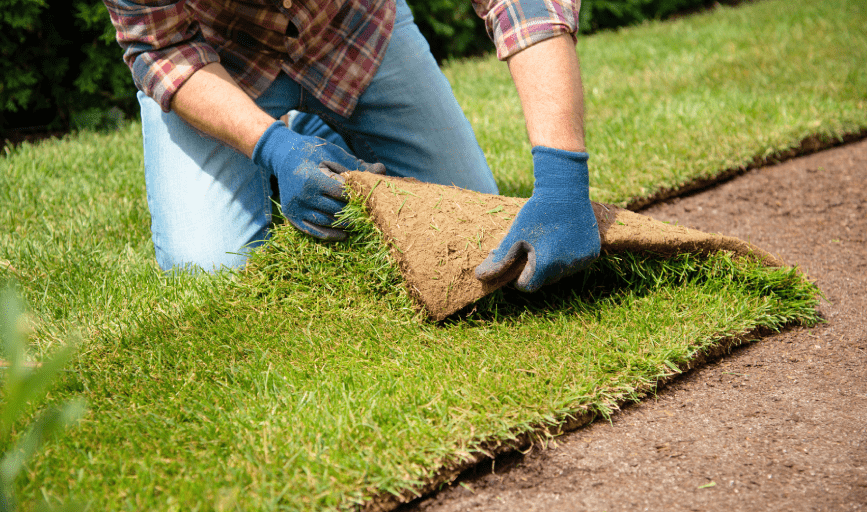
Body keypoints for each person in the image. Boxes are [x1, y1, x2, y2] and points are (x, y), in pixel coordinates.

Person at [103, 0, 600, 292]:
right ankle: (285, 144)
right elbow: (161, 46)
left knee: (472, 229)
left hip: (353, 29)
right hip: (216, 63)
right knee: (210, 271)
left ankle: (321, 134)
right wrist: (273, 146)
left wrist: (562, 178)